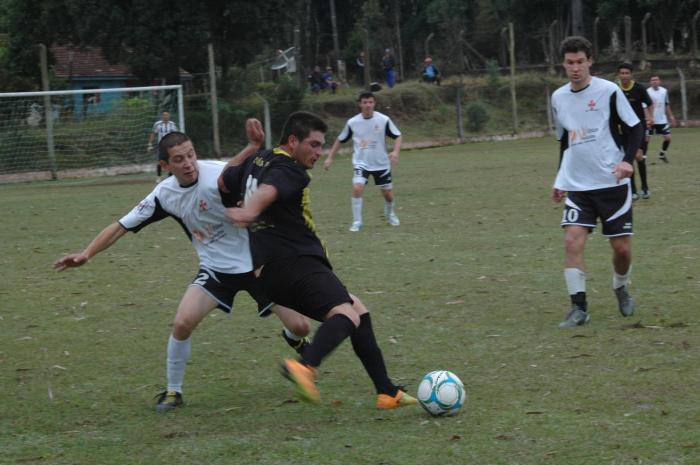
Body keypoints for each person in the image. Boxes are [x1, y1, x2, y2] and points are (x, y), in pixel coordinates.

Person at [54, 123, 311, 412]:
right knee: (182, 323)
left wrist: (253, 149)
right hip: (216, 270)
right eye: (179, 159)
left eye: (191, 155)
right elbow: (121, 226)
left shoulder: (218, 174)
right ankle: (173, 392)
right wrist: (86, 254)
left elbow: (253, 173)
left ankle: (292, 338)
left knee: (301, 326)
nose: (188, 164)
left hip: (258, 265)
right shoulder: (164, 195)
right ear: (165, 165)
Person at [218, 111, 417, 409]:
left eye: (321, 145)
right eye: (312, 144)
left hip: (268, 272)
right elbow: (269, 191)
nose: (318, 152)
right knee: (346, 316)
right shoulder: (291, 169)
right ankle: (305, 366)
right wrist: (250, 211)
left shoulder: (256, 161)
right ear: (293, 141)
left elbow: (223, 181)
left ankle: (387, 392)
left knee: (359, 313)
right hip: (294, 261)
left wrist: (251, 148)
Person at [550, 36, 643, 328]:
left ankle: (621, 285)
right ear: (563, 64)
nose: (575, 68)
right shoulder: (558, 98)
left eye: (580, 62)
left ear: (590, 61)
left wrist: (628, 160)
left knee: (621, 249)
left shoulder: (609, 91)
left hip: (611, 183)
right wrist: (559, 177)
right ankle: (579, 308)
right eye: (569, 63)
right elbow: (564, 140)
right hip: (578, 186)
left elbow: (636, 127)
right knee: (571, 241)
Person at [324, 91, 402, 232]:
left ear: (374, 103)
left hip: (381, 163)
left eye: (370, 102)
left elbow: (398, 135)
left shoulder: (383, 120)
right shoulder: (353, 122)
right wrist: (330, 157)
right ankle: (357, 222)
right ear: (360, 104)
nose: (368, 105)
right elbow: (340, 139)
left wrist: (396, 151)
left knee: (388, 195)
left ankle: (390, 214)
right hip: (361, 162)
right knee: (357, 187)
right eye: (365, 102)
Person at [616, 63, 654, 200]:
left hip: (638, 128)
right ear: (618, 75)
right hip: (622, 130)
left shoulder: (639, 88)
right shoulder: (614, 89)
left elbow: (650, 104)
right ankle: (632, 191)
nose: (624, 75)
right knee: (628, 159)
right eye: (622, 73)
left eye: (627, 73)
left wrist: (650, 117)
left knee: (639, 156)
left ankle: (645, 187)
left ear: (631, 74)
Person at [647, 75, 677, 163]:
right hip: (651, 120)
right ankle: (643, 158)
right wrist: (647, 117)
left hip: (661, 120)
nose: (654, 81)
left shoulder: (664, 91)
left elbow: (666, 104)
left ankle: (662, 154)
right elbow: (645, 106)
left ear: (659, 81)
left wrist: (671, 116)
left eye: (656, 80)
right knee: (646, 140)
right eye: (652, 80)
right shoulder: (647, 92)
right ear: (650, 82)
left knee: (668, 138)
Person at [148, 111, 178, 181]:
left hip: (170, 146)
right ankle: (159, 176)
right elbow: (153, 133)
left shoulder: (172, 124)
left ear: (169, 116)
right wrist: (150, 144)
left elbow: (176, 134)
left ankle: (170, 176)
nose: (165, 117)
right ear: (162, 116)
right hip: (161, 146)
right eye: (164, 115)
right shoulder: (158, 124)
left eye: (167, 115)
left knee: (170, 161)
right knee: (160, 161)